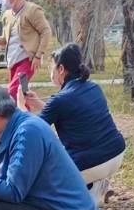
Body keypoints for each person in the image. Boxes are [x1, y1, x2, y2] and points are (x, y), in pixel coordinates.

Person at [27, 43, 126, 199]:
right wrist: (37, 104)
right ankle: (98, 185)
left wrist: (20, 104)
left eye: (51, 68)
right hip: (117, 154)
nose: (50, 72)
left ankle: (88, 193)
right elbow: (71, 112)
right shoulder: (94, 87)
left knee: (44, 179)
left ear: (61, 69)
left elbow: (30, 131)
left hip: (92, 163)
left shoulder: (59, 100)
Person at [0, 0, 52, 107]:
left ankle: (8, 121)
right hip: (13, 61)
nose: (4, 1)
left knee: (12, 92)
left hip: (27, 59)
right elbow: (6, 39)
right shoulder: (7, 15)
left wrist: (38, 55)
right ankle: (28, 119)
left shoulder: (32, 10)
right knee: (22, 94)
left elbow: (46, 31)